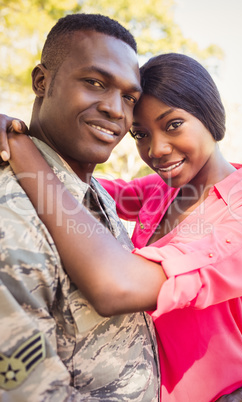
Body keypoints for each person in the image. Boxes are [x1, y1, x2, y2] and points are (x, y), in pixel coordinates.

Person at [1, 52, 242, 402]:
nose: (156, 150)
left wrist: (20, 148)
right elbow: (79, 189)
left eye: (173, 125)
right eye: (140, 134)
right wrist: (18, 133)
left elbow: (118, 287)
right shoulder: (161, 191)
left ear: (209, 115)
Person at [0, 13, 161, 401]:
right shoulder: (12, 213)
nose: (115, 110)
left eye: (129, 97)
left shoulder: (93, 193)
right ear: (42, 81)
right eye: (94, 82)